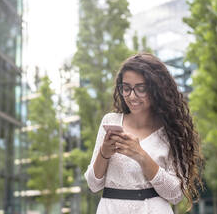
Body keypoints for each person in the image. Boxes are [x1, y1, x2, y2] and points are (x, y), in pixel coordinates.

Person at [84, 53, 203, 213]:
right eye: (126, 88)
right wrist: (104, 153)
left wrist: (140, 155)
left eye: (140, 89)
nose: (132, 96)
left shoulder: (172, 131)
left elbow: (175, 195)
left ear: (157, 89)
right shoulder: (110, 121)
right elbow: (93, 185)